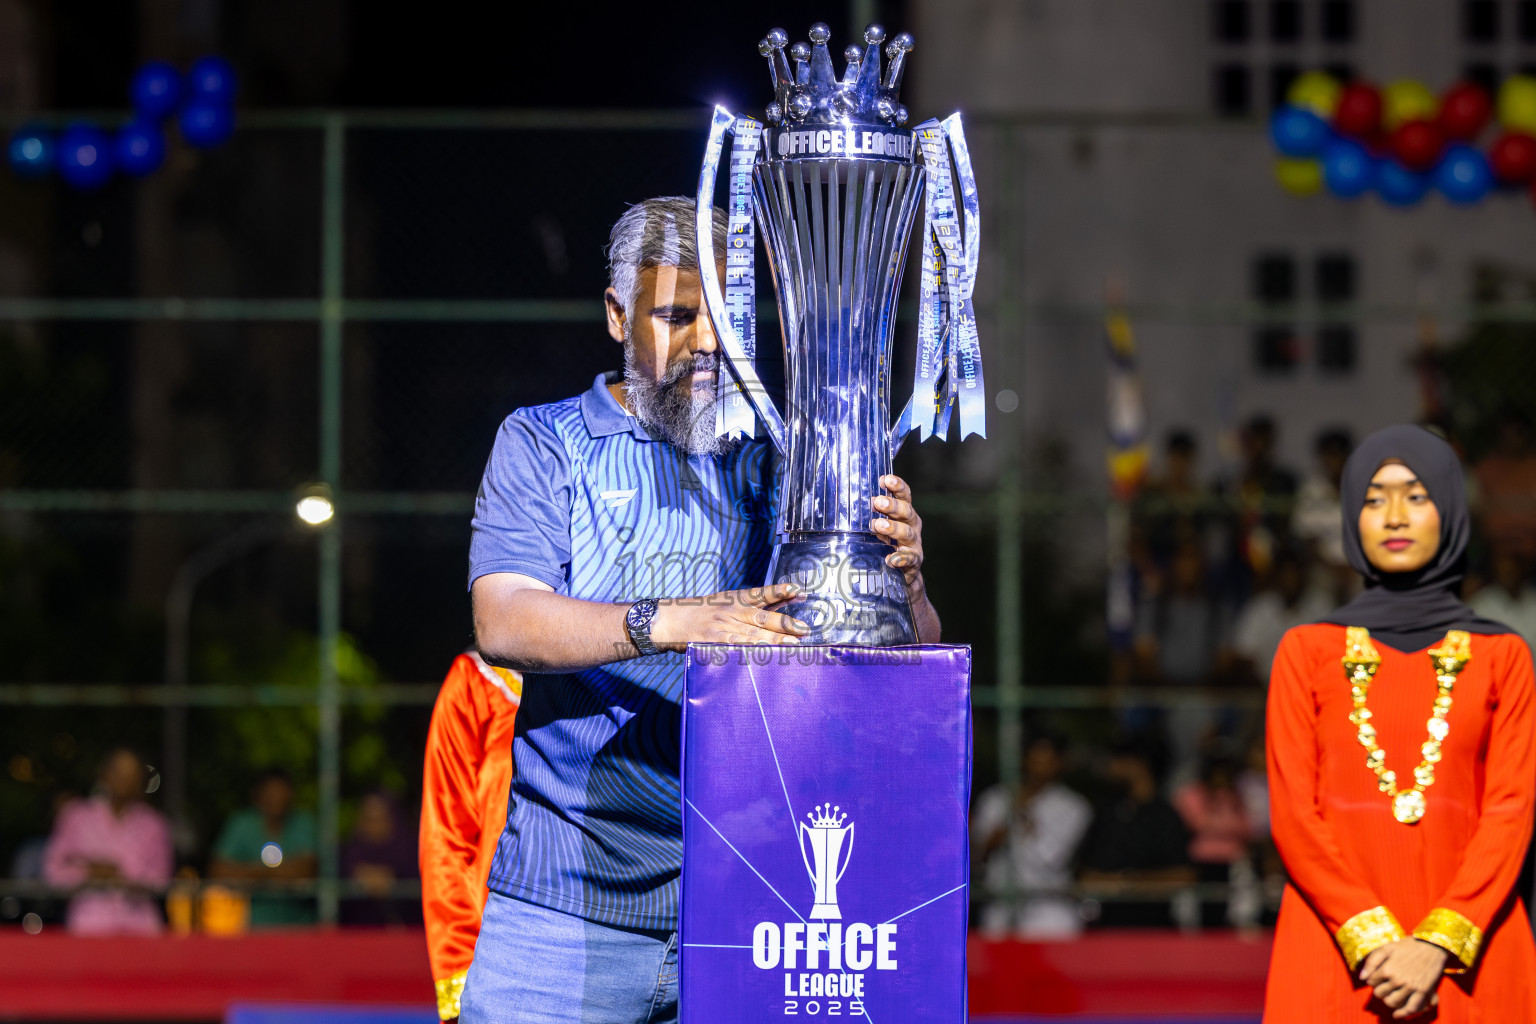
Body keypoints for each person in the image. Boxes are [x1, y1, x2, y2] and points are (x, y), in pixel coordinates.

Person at [460, 196, 939, 1024]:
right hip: (561, 906)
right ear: (616, 315)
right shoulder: (543, 442)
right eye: (677, 316)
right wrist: (673, 621)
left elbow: (904, 662)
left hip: (752, 904)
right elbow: (504, 621)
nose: (708, 342)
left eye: (723, 316)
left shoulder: (782, 459)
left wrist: (903, 583)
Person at [1265, 425, 1536, 1021]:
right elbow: (1293, 815)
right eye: (1373, 497)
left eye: (1416, 496)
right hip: (1334, 948)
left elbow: (1511, 811)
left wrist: (1438, 942)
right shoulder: (1305, 650)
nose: (1393, 516)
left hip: (1473, 951)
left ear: (1451, 510)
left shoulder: (1503, 654)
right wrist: (1378, 942)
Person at [420, 650, 521, 1022]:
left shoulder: (618, 673)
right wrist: (459, 970)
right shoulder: (477, 681)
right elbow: (445, 839)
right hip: (500, 938)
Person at [972, 733, 1092, 938]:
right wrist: (995, 840)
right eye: (1034, 760)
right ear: (1023, 760)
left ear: (1059, 763)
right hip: (998, 911)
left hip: (1049, 914)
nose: (1039, 768)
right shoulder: (994, 799)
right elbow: (973, 859)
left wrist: (1020, 820)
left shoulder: (1073, 806)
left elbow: (1051, 859)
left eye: (1047, 762)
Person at [42, 749, 171, 935]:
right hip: (88, 925)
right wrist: (88, 873)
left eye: (131, 776)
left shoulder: (154, 823)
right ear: (104, 775)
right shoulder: (76, 816)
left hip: (141, 927)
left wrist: (121, 876)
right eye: (119, 773)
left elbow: (161, 880)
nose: (124, 782)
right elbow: (54, 871)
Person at [1078, 735, 1194, 928]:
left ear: (1140, 764)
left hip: (1153, 932)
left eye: (1119, 759)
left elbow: (1183, 876)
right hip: (1104, 930)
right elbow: (1086, 876)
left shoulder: (1166, 816)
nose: (1111, 766)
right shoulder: (1107, 812)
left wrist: (1125, 882)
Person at [209, 768, 318, 926]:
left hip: (300, 927)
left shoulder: (304, 823)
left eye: (280, 793)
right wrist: (275, 873)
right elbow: (219, 871)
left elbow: (306, 870)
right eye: (270, 794)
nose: (276, 799)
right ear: (258, 795)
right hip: (254, 926)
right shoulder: (242, 824)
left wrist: (251, 874)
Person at [1230, 549, 1334, 686]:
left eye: (1294, 572)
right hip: (1265, 689)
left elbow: (1332, 655)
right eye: (1285, 573)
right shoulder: (1260, 608)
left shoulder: (1321, 607)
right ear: (1276, 576)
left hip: (1312, 689)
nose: (1290, 579)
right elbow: (1243, 654)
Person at [341, 790, 420, 926]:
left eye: (379, 820)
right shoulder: (348, 851)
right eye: (368, 820)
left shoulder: (411, 850)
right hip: (355, 933)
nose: (373, 827)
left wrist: (394, 880)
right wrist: (358, 875)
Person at [1468, 548, 1536, 649]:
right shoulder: (1480, 604)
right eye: (1503, 568)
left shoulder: (1532, 599)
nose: (1509, 572)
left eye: (1513, 567)